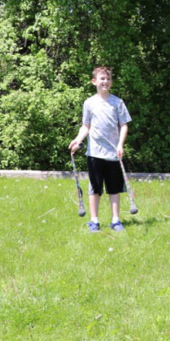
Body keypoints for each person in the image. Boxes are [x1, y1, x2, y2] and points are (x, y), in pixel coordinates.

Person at [69, 66, 132, 232]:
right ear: (94, 81)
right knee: (95, 188)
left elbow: (124, 126)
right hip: (95, 154)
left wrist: (120, 144)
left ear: (111, 82)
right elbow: (86, 126)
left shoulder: (117, 103)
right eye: (102, 78)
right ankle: (94, 221)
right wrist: (77, 140)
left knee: (114, 188)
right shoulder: (89, 103)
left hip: (113, 154)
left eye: (108, 79)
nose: (105, 81)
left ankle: (116, 220)